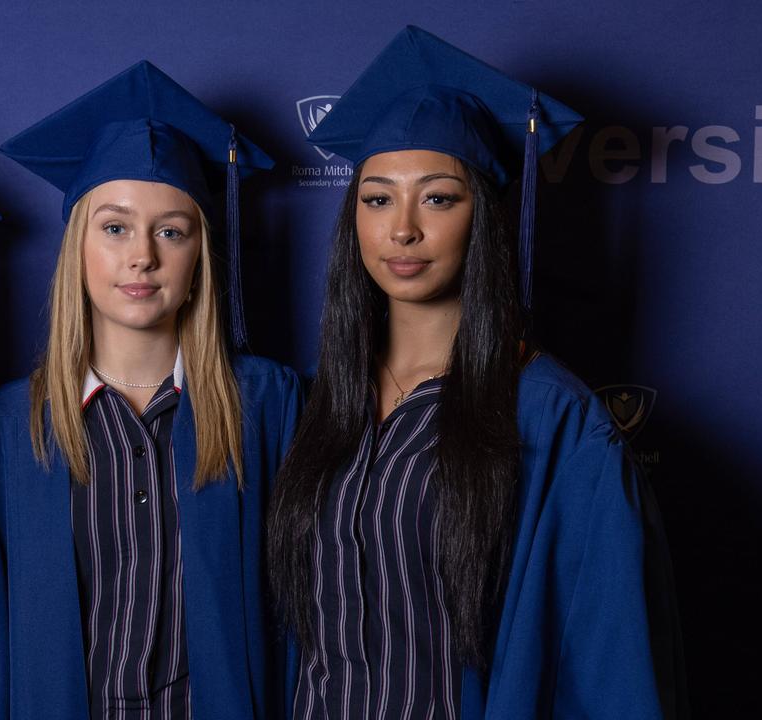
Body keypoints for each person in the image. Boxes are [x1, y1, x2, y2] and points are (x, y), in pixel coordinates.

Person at [266, 26, 685, 719]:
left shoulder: (549, 417)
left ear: (484, 215)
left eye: (437, 198)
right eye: (377, 199)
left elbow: (608, 657)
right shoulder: (311, 405)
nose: (402, 229)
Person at [0, 61, 300, 719]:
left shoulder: (266, 404)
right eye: (115, 226)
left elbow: (302, 615)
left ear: (199, 255)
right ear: (78, 247)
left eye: (171, 231)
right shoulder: (9, 426)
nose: (142, 256)